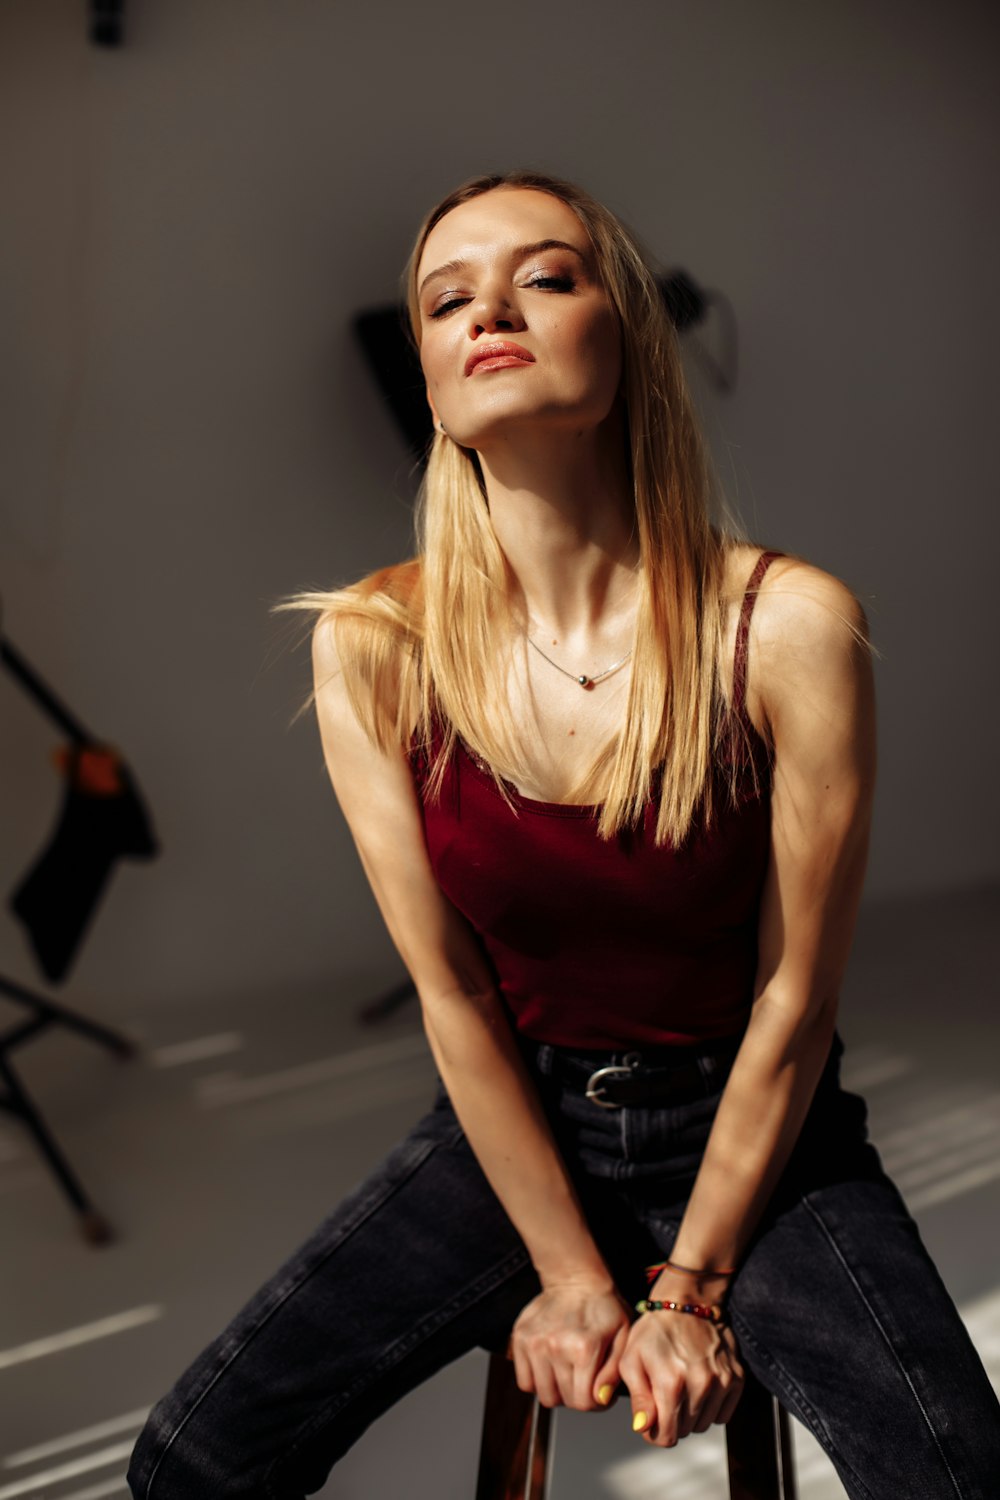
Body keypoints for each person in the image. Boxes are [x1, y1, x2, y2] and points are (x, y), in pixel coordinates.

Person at [127, 170, 1000, 1499]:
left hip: (755, 1126)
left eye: (545, 276)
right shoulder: (373, 646)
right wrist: (572, 1278)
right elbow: (454, 990)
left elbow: (794, 996)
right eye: (445, 298)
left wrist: (691, 1290)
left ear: (628, 332)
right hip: (519, 1120)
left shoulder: (788, 628)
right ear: (428, 379)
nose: (490, 311)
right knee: (189, 1465)